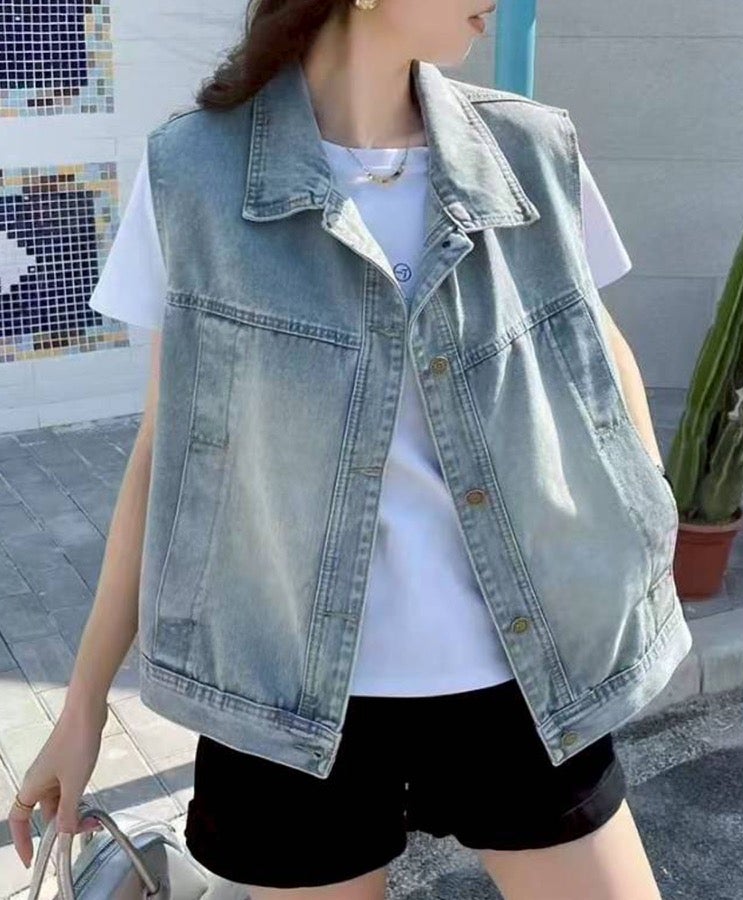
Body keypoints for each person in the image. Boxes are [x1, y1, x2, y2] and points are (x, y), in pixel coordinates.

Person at [8, 1, 692, 897]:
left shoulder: (528, 151)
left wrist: (644, 525)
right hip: (281, 699)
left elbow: (601, 357)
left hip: (521, 680)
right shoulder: (195, 173)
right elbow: (166, 456)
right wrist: (86, 702)